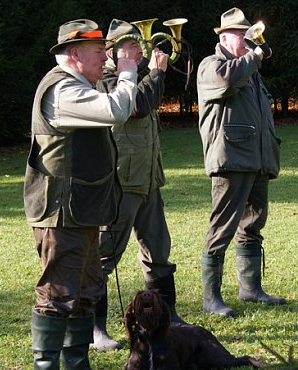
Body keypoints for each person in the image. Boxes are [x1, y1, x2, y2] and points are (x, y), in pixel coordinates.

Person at [23, 19, 138, 369]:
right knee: (57, 295)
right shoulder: (63, 91)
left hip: (81, 211)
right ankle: (46, 365)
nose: (106, 59)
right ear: (74, 54)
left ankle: (77, 363)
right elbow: (117, 110)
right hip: (61, 214)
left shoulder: (78, 85)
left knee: (87, 292)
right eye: (99, 51)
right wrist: (129, 71)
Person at [91, 19, 186, 352]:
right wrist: (157, 72)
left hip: (147, 181)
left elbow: (148, 102)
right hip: (121, 184)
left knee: (159, 253)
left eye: (138, 45)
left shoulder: (138, 81)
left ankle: (168, 315)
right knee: (103, 258)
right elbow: (137, 105)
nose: (139, 51)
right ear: (111, 53)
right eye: (130, 47)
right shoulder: (106, 84)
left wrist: (155, 73)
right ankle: (96, 329)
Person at [196, 7, 286, 318]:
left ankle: (250, 289)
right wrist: (254, 57)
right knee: (222, 228)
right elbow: (226, 82)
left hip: (256, 160)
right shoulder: (213, 65)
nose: (247, 38)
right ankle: (212, 299)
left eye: (248, 32)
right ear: (223, 37)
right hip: (231, 159)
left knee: (253, 224)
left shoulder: (251, 71)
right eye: (240, 33)